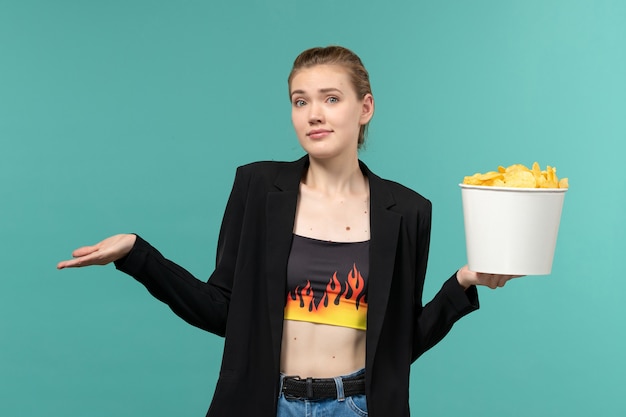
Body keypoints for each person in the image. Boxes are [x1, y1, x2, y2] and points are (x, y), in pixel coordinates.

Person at [57, 46, 516, 417]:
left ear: (365, 107)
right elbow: (222, 311)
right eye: (301, 101)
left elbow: (396, 345)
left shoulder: (408, 211)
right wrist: (136, 254)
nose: (313, 113)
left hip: (358, 406)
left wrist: (461, 286)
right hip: (264, 403)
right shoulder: (258, 189)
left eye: (331, 98)